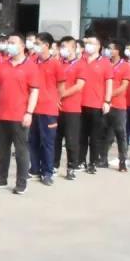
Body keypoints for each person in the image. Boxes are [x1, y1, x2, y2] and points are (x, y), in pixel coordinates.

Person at [0, 34, 39, 194]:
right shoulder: (3, 65)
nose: (9, 45)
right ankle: (1, 178)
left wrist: (29, 112)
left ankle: (21, 183)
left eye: (13, 42)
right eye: (8, 42)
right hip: (1, 114)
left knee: (21, 151)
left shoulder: (31, 66)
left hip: (19, 116)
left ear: (22, 46)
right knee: (2, 150)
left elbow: (34, 91)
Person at [27, 32, 59, 185]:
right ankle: (34, 169)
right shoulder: (31, 61)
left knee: (47, 142)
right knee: (32, 140)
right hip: (32, 108)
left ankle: (47, 172)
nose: (35, 46)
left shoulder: (55, 63)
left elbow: (61, 85)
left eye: (38, 43)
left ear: (46, 45)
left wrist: (55, 100)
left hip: (48, 109)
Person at [78, 36, 110, 173]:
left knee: (95, 136)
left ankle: (93, 163)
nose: (88, 45)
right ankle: (81, 161)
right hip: (80, 103)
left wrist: (107, 101)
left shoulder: (105, 62)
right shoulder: (81, 60)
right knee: (81, 135)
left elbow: (109, 82)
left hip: (96, 104)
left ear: (98, 46)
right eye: (87, 43)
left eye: (91, 43)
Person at [54, 36, 85, 179]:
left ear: (73, 48)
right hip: (56, 107)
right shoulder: (58, 63)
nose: (62, 50)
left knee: (71, 140)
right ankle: (53, 165)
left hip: (72, 108)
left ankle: (72, 167)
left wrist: (62, 95)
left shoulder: (80, 65)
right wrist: (55, 97)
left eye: (65, 47)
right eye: (61, 47)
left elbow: (79, 85)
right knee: (55, 139)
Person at [103, 41, 130, 171]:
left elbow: (124, 86)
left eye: (111, 48)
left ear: (117, 51)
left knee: (120, 133)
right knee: (105, 133)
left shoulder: (125, 66)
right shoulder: (105, 63)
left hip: (118, 105)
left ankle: (122, 161)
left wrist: (109, 96)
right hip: (105, 103)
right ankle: (103, 159)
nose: (108, 51)